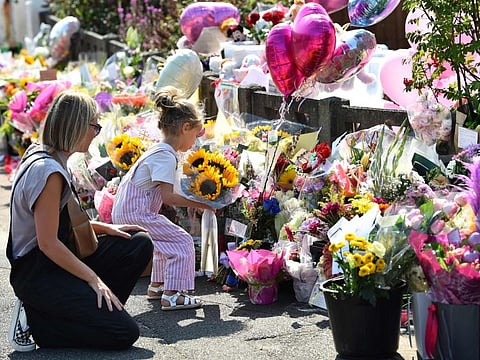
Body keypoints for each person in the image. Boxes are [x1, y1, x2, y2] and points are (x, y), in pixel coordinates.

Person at [7, 90, 153, 352]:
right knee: (124, 333)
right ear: (75, 125)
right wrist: (92, 279)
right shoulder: (49, 172)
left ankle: (86, 314)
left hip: (52, 260)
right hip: (38, 272)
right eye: (94, 126)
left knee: (138, 243)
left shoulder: (45, 154)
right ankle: (40, 321)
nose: (96, 132)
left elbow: (57, 222)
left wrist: (104, 226)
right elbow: (48, 243)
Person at [112, 86, 213, 311]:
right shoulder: (166, 156)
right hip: (137, 212)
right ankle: (174, 294)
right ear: (186, 127)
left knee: (162, 243)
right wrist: (201, 203)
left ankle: (158, 286)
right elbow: (169, 196)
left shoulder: (158, 151)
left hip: (130, 210)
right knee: (182, 242)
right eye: (195, 135)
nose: (195, 143)